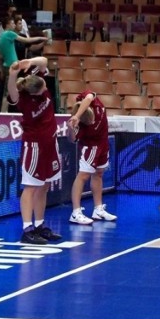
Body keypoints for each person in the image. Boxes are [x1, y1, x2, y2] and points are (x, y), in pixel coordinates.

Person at [7, 56, 62, 244]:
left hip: (51, 143)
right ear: (36, 93)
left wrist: (29, 62)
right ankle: (27, 229)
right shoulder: (24, 99)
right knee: (31, 187)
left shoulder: (36, 80)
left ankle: (39, 225)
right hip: (35, 147)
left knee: (45, 185)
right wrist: (13, 74)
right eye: (44, 89)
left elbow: (44, 60)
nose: (47, 89)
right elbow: (12, 92)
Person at [67, 90, 117, 225]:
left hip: (103, 144)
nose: (93, 121)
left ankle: (98, 209)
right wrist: (71, 127)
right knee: (83, 176)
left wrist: (76, 115)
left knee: (99, 174)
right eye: (90, 121)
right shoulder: (81, 126)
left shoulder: (93, 102)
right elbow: (72, 140)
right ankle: (76, 212)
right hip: (90, 149)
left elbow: (89, 97)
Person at [0, 16, 48, 113]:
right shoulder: (9, 33)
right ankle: (4, 113)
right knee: (8, 92)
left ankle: (10, 110)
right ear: (7, 25)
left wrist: (4, 56)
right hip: (12, 66)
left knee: (11, 89)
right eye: (12, 23)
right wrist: (42, 38)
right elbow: (26, 40)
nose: (14, 25)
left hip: (7, 66)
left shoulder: (0, 38)